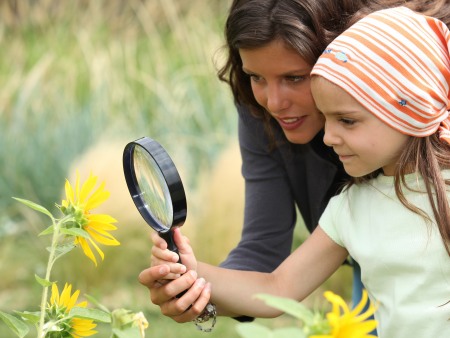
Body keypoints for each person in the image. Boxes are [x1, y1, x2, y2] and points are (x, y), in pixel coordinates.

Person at [139, 0, 450, 325]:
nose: (273, 103)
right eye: (255, 77)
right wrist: (195, 280)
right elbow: (276, 281)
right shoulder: (349, 210)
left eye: (296, 77)